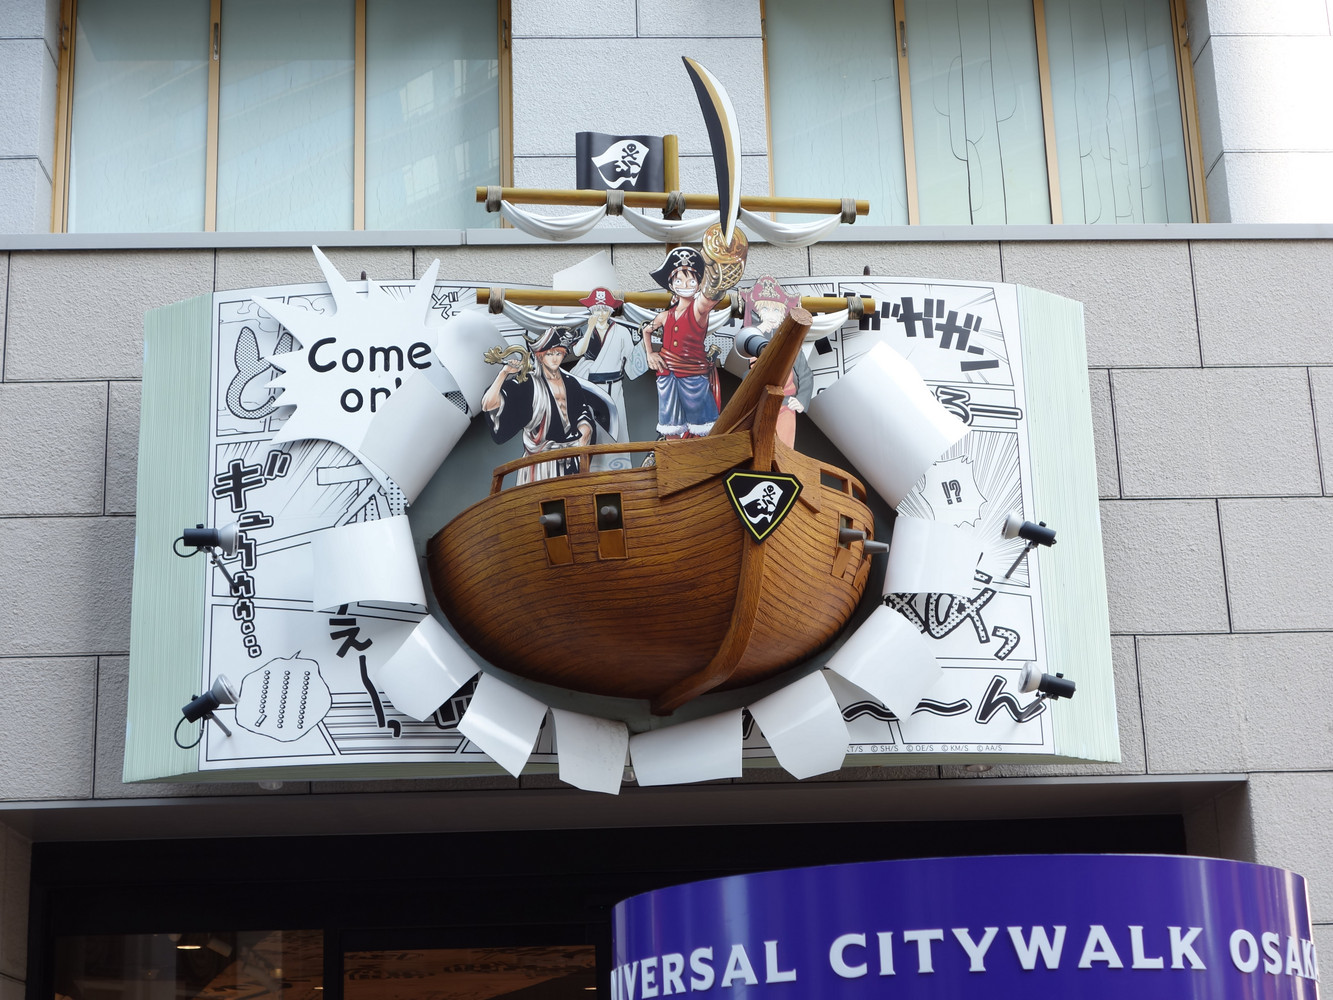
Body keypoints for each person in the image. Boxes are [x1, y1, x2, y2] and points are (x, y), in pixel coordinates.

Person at [481, 327, 601, 484]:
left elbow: (583, 411)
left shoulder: (571, 383)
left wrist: (585, 427)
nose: (555, 359)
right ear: (540, 356)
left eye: (559, 353)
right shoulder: (528, 384)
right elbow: (488, 404)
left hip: (571, 459)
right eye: (549, 354)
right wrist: (504, 373)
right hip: (540, 464)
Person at [642, 247, 722, 438]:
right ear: (671, 284)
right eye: (679, 281)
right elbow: (646, 330)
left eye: (691, 281)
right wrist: (650, 354)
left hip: (693, 375)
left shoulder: (697, 309)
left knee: (703, 427)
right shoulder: (664, 316)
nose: (685, 285)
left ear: (698, 284)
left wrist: (716, 269)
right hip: (666, 375)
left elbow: (710, 297)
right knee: (670, 427)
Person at [566, 287, 644, 448]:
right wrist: (589, 328)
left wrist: (646, 341)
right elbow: (578, 351)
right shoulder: (584, 329)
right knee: (590, 432)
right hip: (591, 388)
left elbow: (631, 362)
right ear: (591, 310)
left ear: (610, 311)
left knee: (617, 431)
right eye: (597, 309)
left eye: (604, 309)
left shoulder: (622, 331)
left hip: (615, 386)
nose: (600, 313)